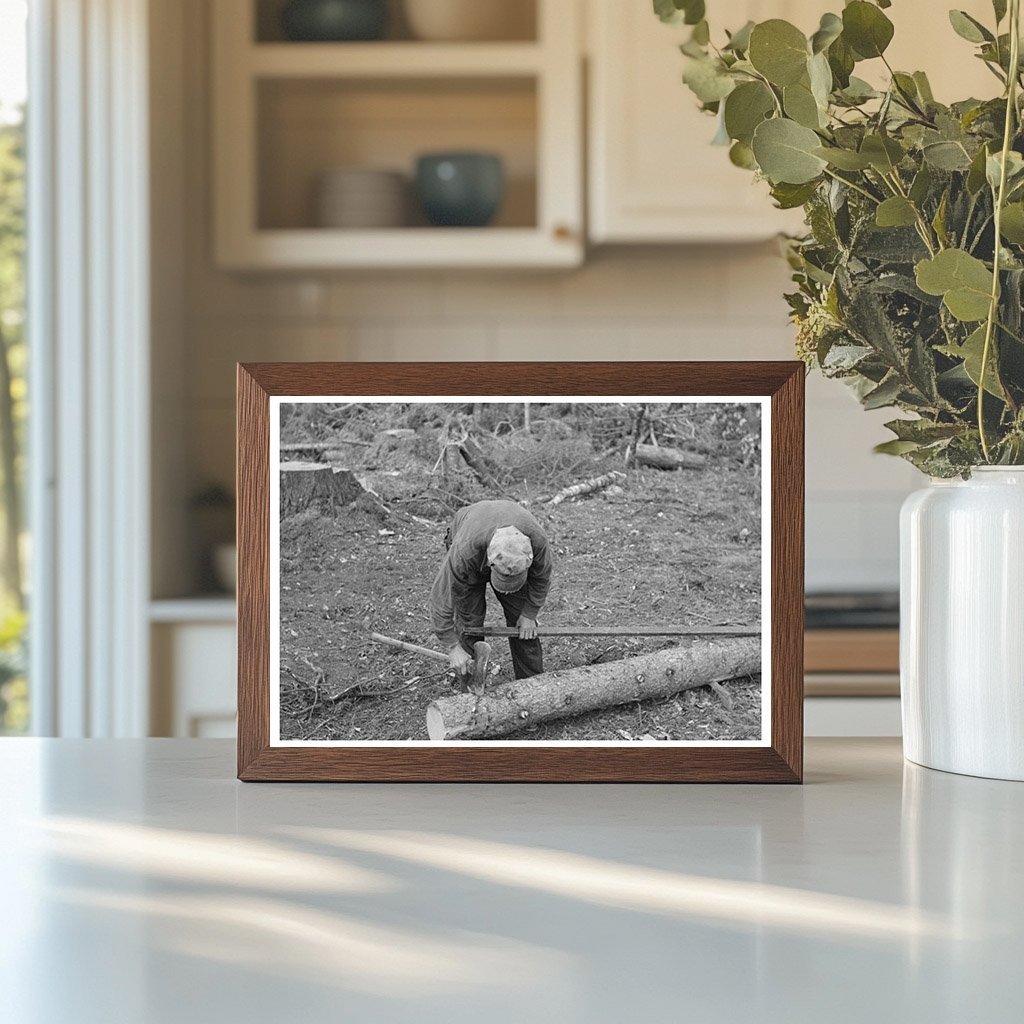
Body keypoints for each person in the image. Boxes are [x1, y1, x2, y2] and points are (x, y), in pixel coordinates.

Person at [429, 499, 553, 680]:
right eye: (504, 578)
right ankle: (471, 684)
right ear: (489, 562)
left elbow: (542, 578)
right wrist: (453, 647)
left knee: (524, 626)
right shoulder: (464, 551)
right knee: (470, 623)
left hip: (495, 538)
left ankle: (531, 683)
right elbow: (441, 597)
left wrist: (529, 614)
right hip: (472, 538)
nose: (508, 587)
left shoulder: (537, 541)